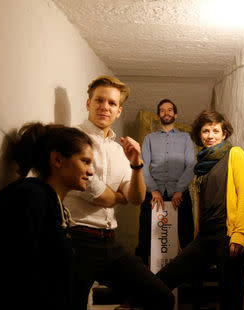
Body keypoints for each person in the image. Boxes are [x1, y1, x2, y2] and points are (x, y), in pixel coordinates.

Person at [63, 75, 174, 310]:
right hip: (77, 240)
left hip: (109, 241)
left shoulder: (118, 148)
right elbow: (93, 190)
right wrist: (117, 198)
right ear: (88, 104)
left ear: (119, 111)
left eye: (112, 103)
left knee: (161, 297)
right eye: (99, 100)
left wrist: (136, 164)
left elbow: (136, 198)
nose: (105, 107)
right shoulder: (72, 139)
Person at [156, 110, 244, 310]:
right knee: (163, 279)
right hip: (205, 237)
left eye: (215, 131)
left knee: (231, 302)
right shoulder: (202, 166)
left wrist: (240, 234)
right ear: (200, 135)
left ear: (224, 133)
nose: (210, 136)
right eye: (205, 131)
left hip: (229, 236)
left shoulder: (235, 154)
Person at [0, 122, 94, 310]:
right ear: (57, 159)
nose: (91, 171)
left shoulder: (52, 203)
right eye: (85, 161)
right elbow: (20, 275)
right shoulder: (31, 197)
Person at [136, 98, 195, 266]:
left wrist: (179, 190)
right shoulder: (149, 139)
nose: (166, 112)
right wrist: (153, 190)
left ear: (175, 114)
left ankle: (191, 281)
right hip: (154, 194)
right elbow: (143, 166)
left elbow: (190, 165)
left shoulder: (186, 138)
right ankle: (143, 276)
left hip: (180, 193)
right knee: (145, 236)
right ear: (158, 115)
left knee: (187, 238)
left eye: (170, 110)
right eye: (162, 110)